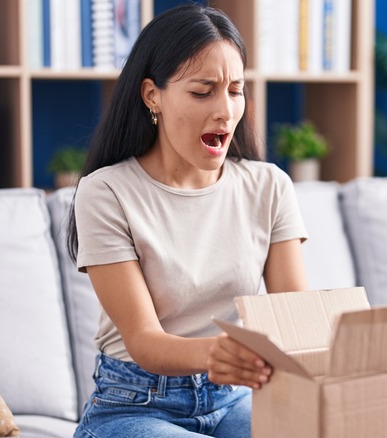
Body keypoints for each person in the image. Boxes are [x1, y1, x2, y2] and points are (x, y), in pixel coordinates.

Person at [68, 4, 309, 437]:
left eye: (235, 90)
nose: (226, 111)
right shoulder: (106, 192)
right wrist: (221, 351)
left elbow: (293, 318)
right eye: (203, 91)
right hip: (135, 405)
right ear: (151, 95)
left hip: (235, 396)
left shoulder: (269, 186)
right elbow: (144, 341)